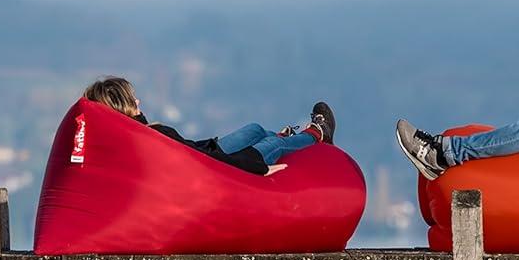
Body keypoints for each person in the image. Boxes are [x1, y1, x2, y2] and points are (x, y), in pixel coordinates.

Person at [83, 76, 335, 176]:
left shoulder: (141, 133)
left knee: (255, 129)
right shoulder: (150, 137)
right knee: (272, 145)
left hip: (209, 149)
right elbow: (198, 164)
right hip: (216, 162)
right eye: (132, 99)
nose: (138, 101)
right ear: (122, 105)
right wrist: (259, 168)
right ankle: (316, 134)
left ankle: (281, 137)